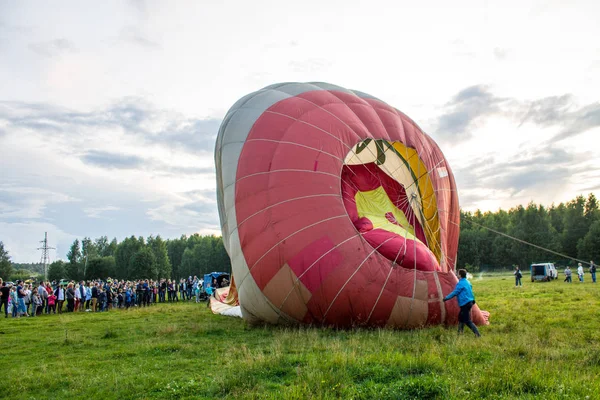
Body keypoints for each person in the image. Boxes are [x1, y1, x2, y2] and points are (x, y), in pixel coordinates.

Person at [443, 269, 481, 337]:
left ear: (460, 275)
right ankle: (460, 334)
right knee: (461, 318)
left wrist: (446, 298)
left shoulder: (460, 283)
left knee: (467, 320)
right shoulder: (468, 282)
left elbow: (455, 292)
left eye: (457, 273)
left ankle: (477, 334)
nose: (456, 274)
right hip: (470, 302)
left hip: (465, 304)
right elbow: (470, 290)